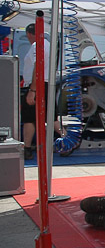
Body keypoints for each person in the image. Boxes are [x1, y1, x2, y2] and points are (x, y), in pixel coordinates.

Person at [21, 18, 63, 160]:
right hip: (45, 83)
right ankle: (67, 140)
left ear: (29, 34)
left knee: (29, 118)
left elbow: (37, 66)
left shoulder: (37, 45)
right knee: (50, 116)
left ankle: (27, 148)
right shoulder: (48, 45)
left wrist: (32, 90)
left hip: (38, 84)